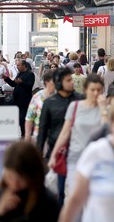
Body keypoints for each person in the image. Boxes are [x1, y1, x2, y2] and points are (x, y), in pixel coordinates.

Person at [48, 74, 107, 194]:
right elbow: (65, 133)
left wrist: (103, 109)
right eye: (92, 90)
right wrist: (54, 155)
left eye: (99, 90)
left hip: (99, 160)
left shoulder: (106, 109)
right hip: (76, 158)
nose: (95, 93)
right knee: (75, 195)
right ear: (85, 90)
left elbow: (108, 132)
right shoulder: (74, 107)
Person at [36, 67, 83, 207]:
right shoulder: (50, 103)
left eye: (72, 80)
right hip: (57, 152)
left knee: (78, 192)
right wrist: (39, 155)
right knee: (59, 191)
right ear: (58, 82)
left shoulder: (80, 100)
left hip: (78, 151)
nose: (72, 83)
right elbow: (43, 129)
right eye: (68, 80)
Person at [0, 141, 59, 222]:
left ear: (33, 176)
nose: (14, 184)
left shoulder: (46, 202)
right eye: (10, 177)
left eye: (20, 179)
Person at [2, 60, 35, 138]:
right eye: (17, 65)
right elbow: (13, 84)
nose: (17, 67)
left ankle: (24, 135)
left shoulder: (30, 74)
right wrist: (6, 78)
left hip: (25, 100)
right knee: (17, 118)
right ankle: (21, 134)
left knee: (22, 119)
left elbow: (29, 86)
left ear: (24, 66)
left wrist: (22, 83)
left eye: (19, 65)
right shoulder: (19, 73)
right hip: (17, 100)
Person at [24, 70, 56, 142]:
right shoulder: (37, 97)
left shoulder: (60, 96)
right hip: (40, 136)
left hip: (56, 136)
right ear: (47, 82)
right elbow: (29, 118)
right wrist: (27, 136)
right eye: (54, 81)